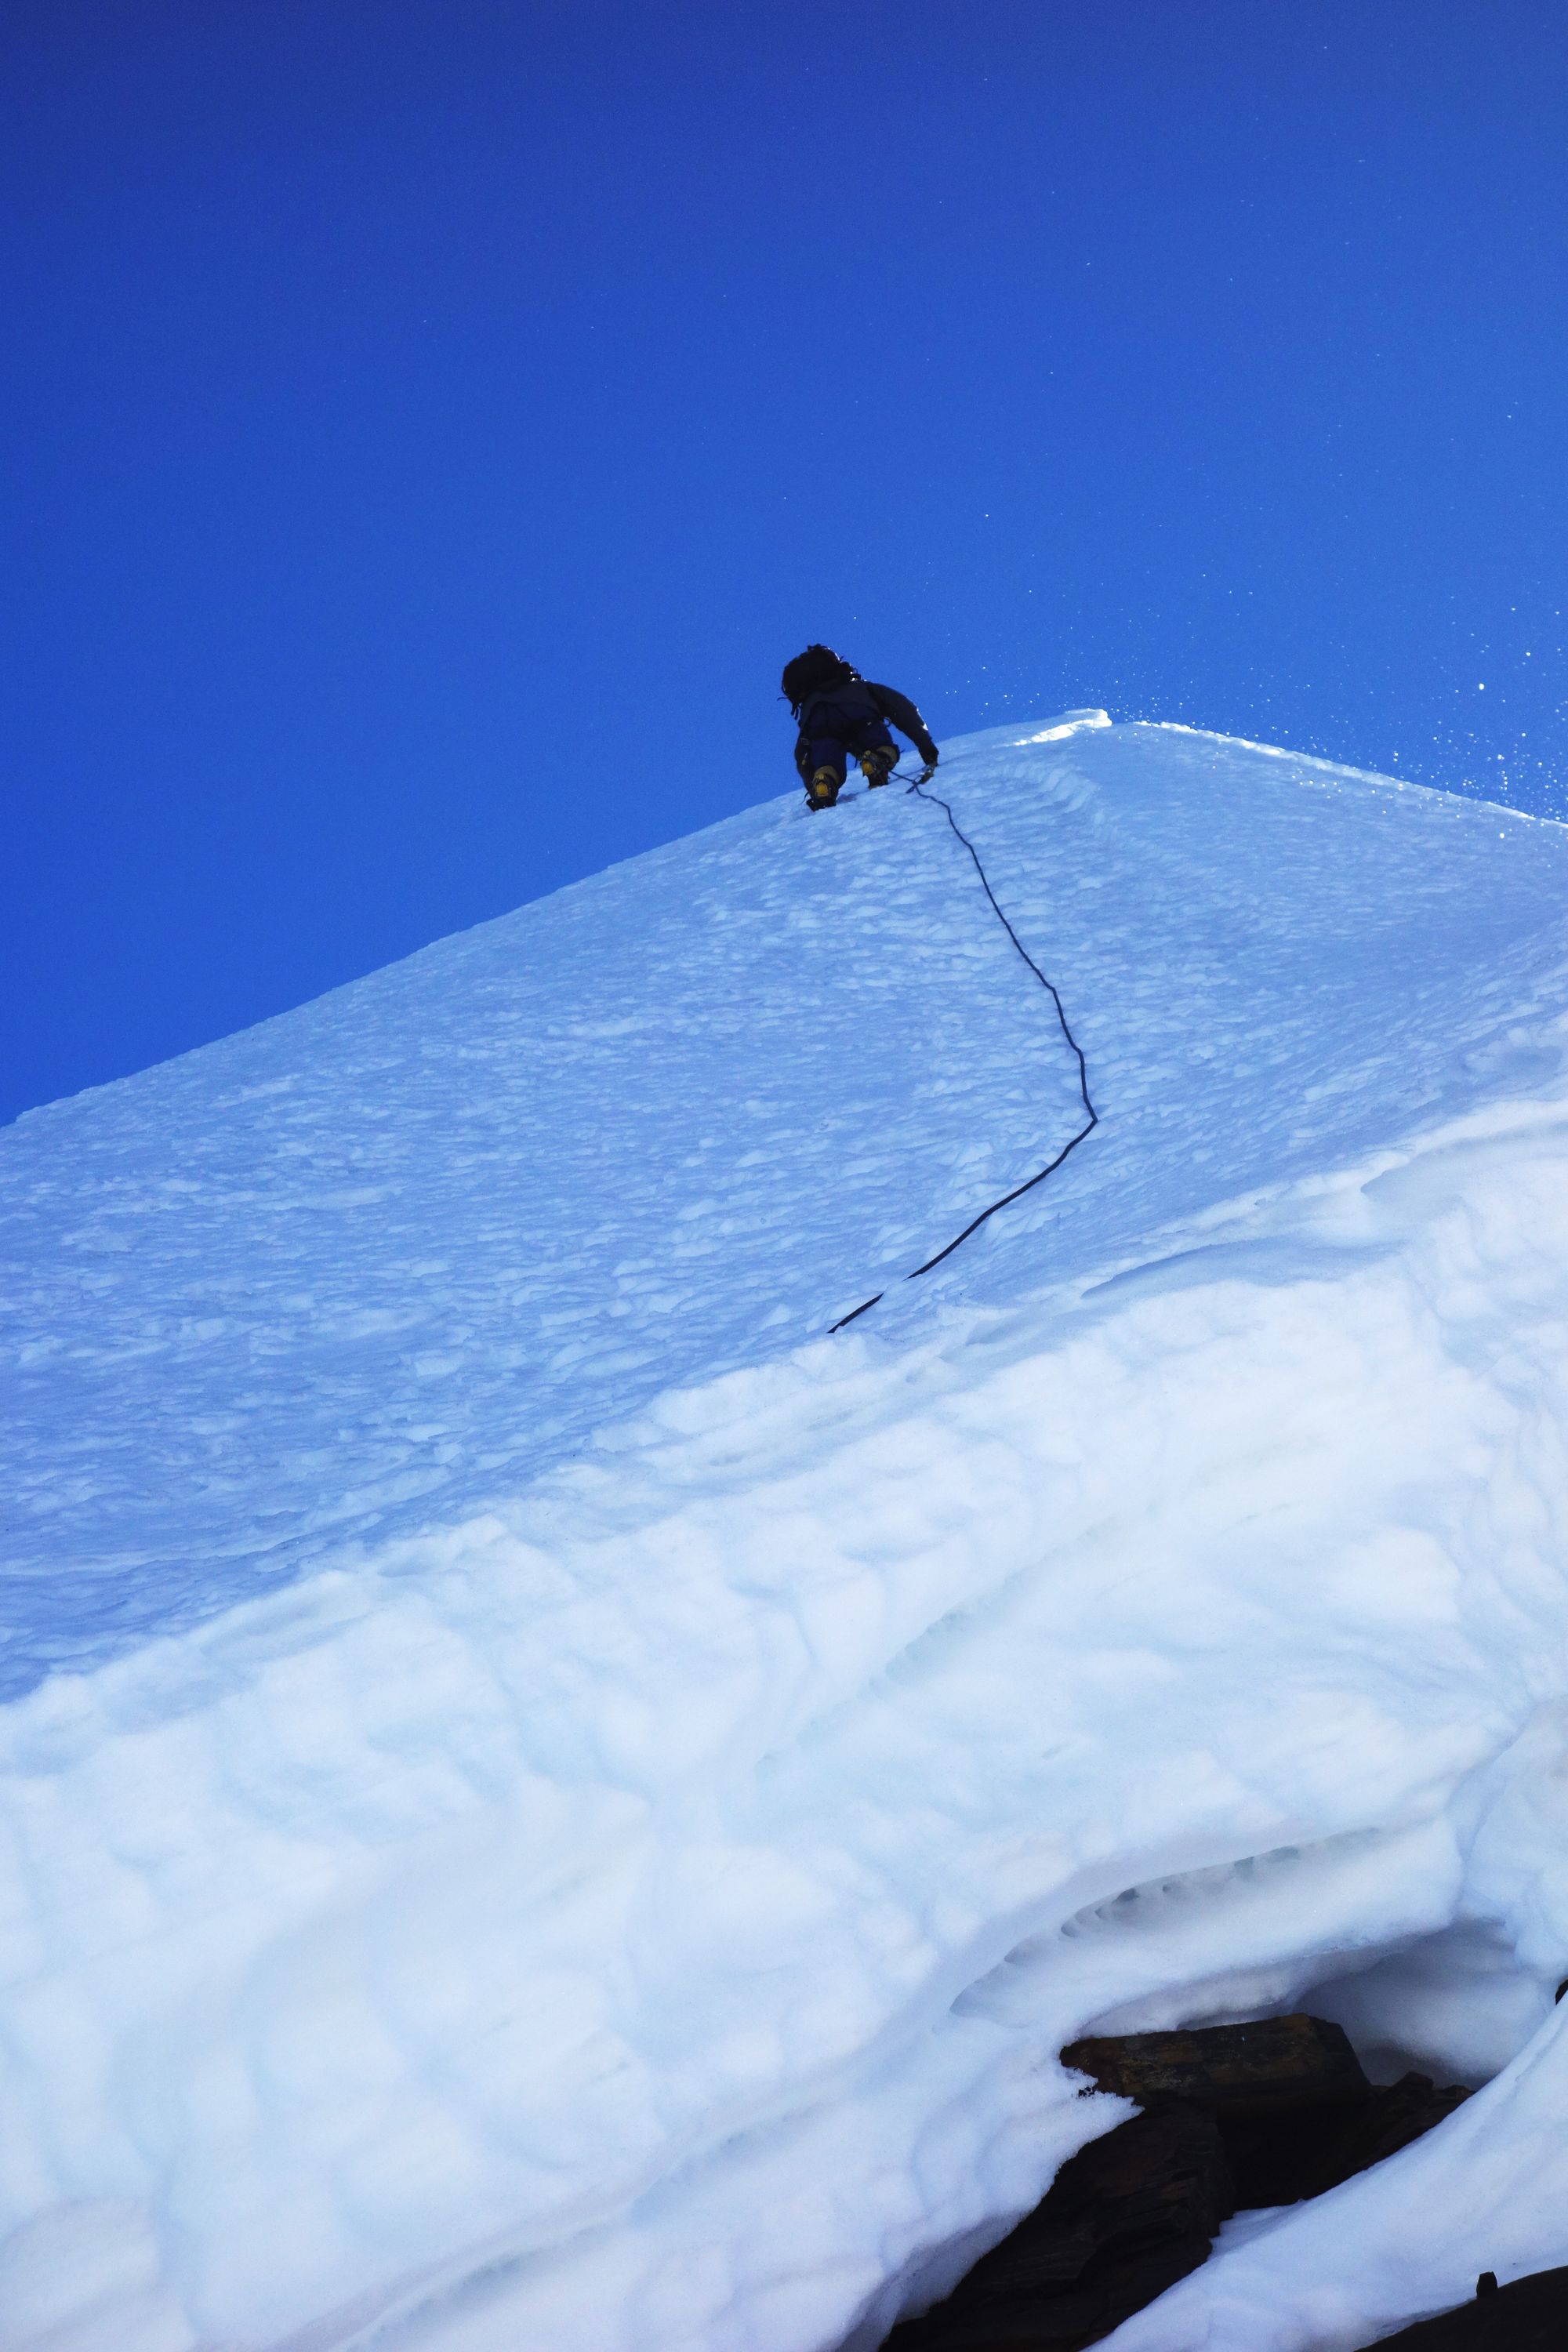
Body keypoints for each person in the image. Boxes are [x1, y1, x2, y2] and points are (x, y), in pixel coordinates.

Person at [781, 645, 940, 810]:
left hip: (819, 723)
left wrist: (811, 785)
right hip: (859, 714)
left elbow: (802, 753)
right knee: (877, 743)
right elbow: (902, 708)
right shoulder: (861, 687)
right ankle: (877, 760)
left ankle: (824, 780)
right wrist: (925, 745)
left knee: (826, 757)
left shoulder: (809, 706)